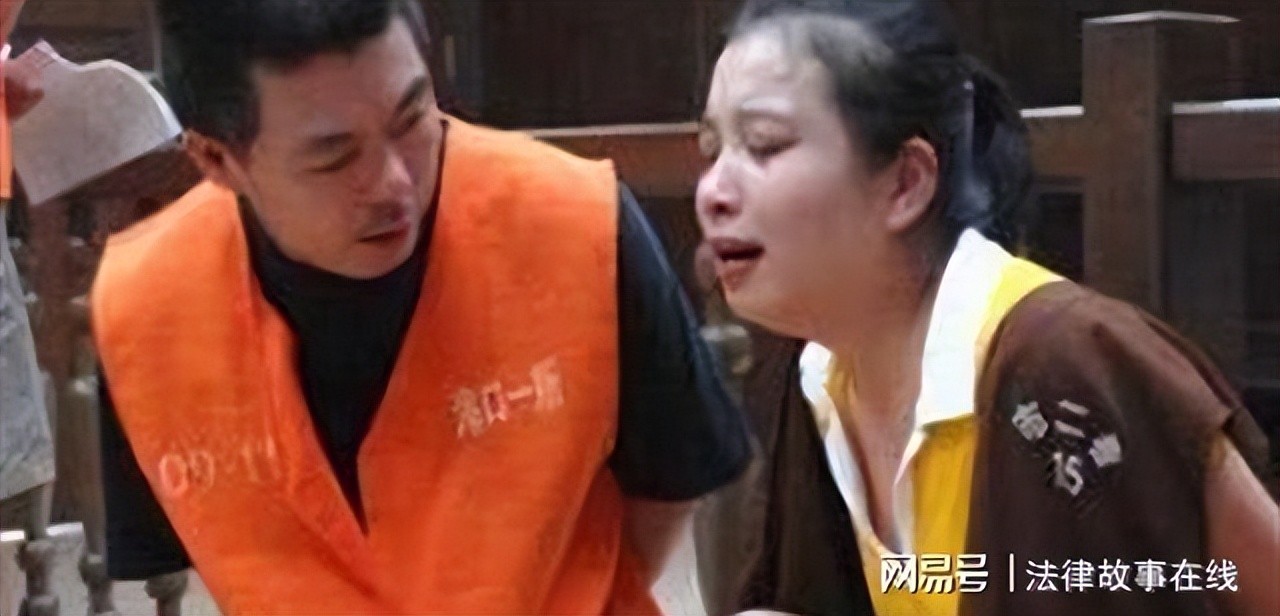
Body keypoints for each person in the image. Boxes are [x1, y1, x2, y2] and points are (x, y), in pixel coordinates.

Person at [92, 1, 750, 613]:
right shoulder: (147, 308)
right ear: (215, 157)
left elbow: (669, 487)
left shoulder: (576, 224)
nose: (393, 183)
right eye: (335, 158)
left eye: (412, 120)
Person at [693, 1, 1280, 615]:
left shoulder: (1061, 362)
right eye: (711, 150)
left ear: (905, 183)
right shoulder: (822, 375)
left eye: (764, 145)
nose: (712, 193)